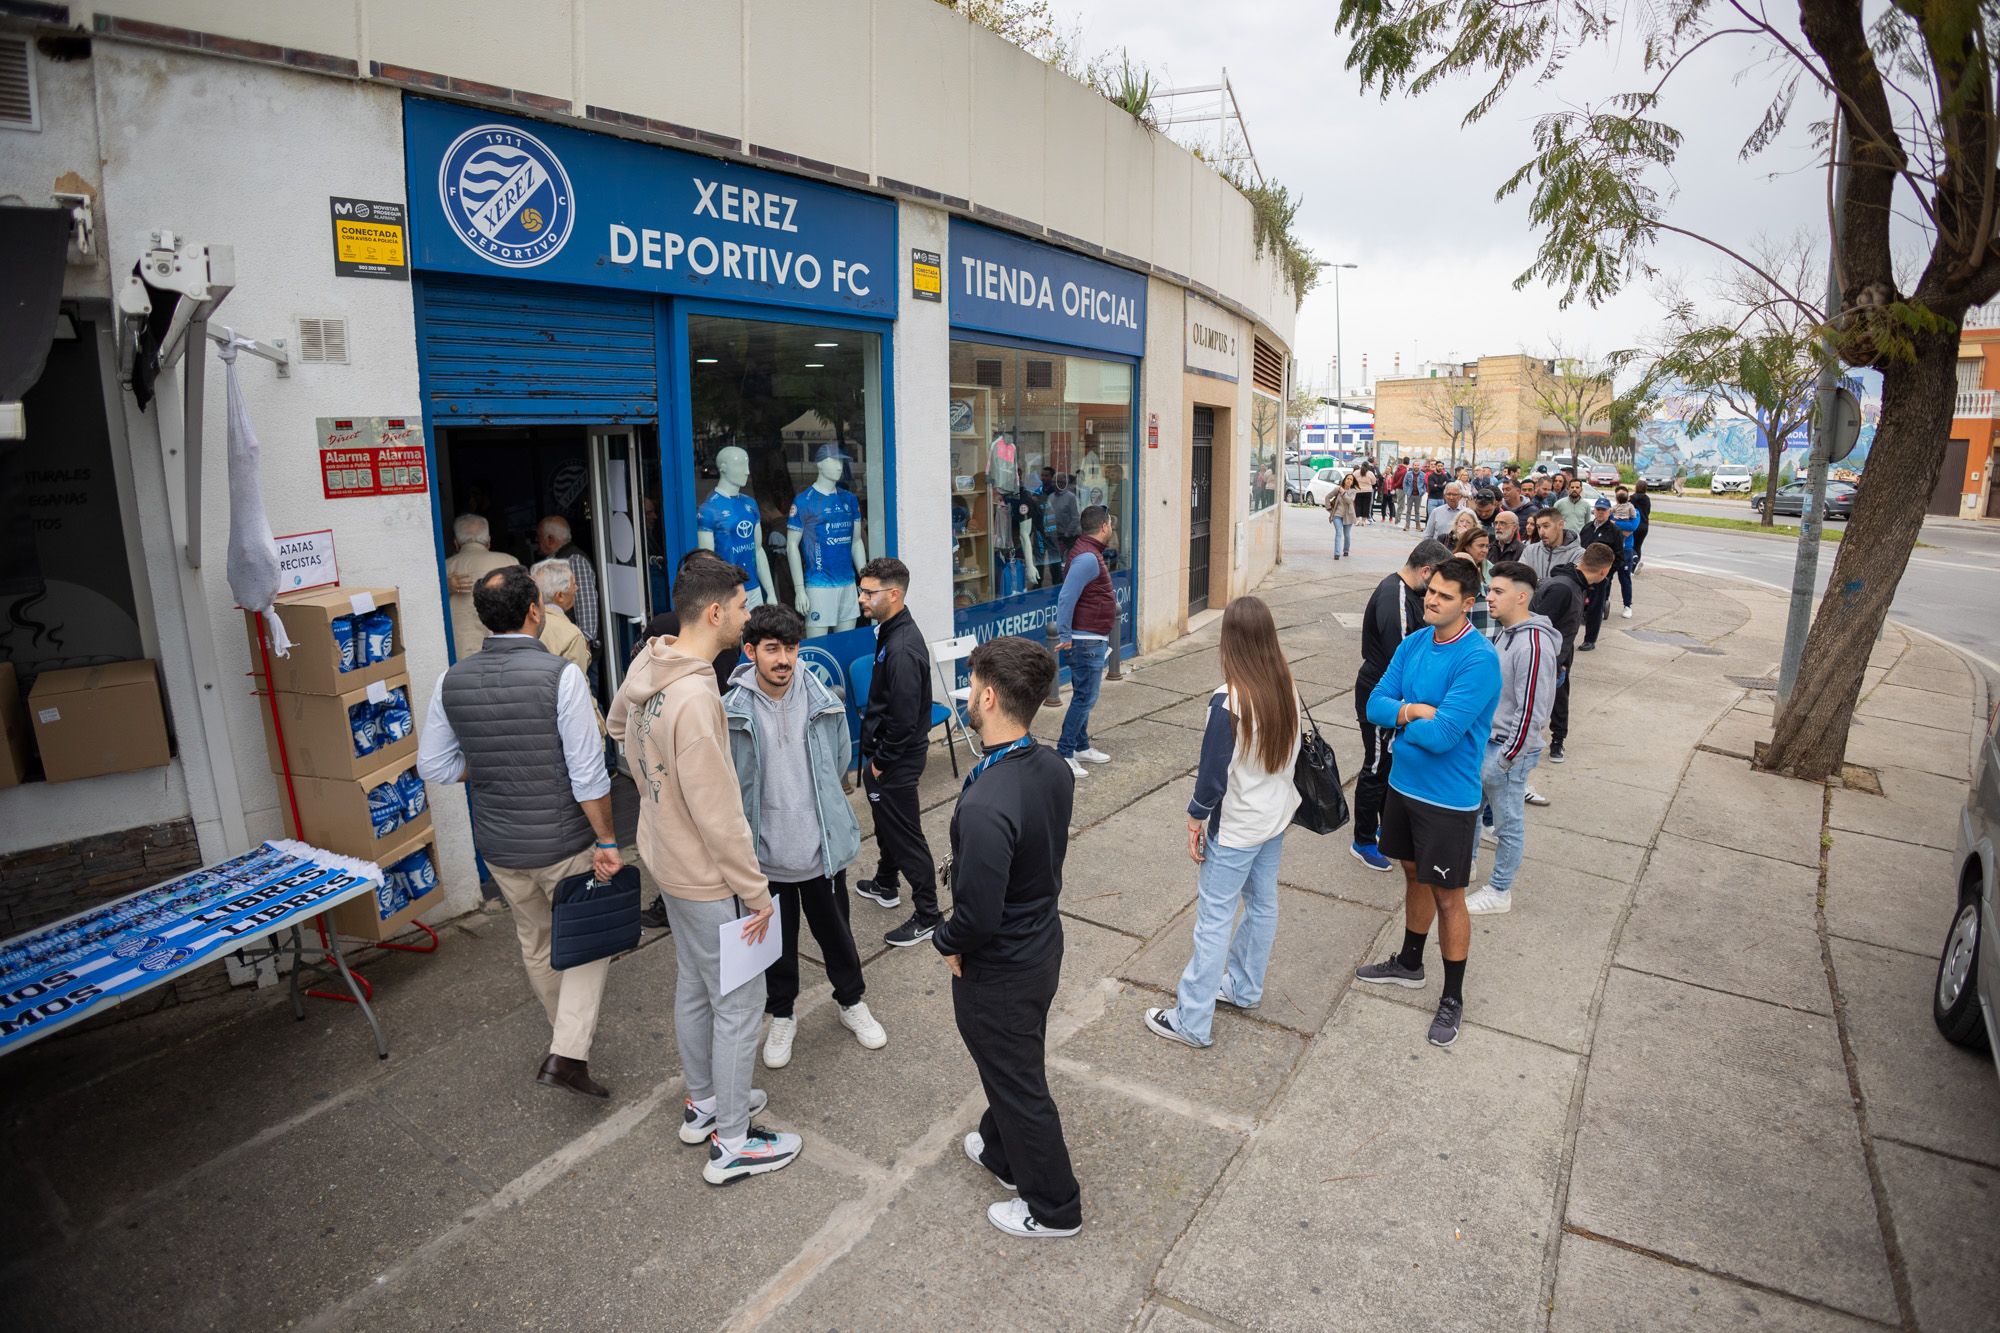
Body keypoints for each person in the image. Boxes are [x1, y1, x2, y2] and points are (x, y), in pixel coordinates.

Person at [610, 558, 802, 1186]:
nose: (749, 616)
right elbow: (721, 816)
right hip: (704, 874)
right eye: (744, 607)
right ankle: (733, 1144)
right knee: (741, 1003)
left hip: (663, 856)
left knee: (696, 985)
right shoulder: (696, 696)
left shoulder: (651, 661)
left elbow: (617, 729)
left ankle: (705, 1102)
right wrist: (757, 893)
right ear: (717, 613)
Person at [417, 565, 622, 1099]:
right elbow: (588, 772)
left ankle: (565, 1041)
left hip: (500, 845)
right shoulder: (561, 676)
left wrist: (486, 766)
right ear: (535, 611)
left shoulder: (449, 680)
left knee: (535, 940)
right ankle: (568, 1054)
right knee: (588, 943)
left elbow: (434, 767)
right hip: (561, 841)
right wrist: (606, 840)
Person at [935, 635, 1083, 1240]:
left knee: (1020, 1081)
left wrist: (945, 941)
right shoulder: (1049, 766)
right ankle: (1001, 1153)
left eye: (972, 685)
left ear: (990, 695)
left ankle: (1054, 1207)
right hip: (1041, 944)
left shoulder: (987, 804)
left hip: (1000, 968)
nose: (969, 694)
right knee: (1013, 1063)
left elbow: (976, 916)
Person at [723, 603, 887, 1069]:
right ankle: (783, 1015)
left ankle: (851, 1003)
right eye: (772, 649)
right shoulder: (729, 710)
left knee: (837, 936)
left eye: (791, 648)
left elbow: (837, 766)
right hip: (765, 858)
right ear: (750, 651)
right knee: (776, 945)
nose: (783, 659)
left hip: (820, 851)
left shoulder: (825, 701)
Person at [1355, 557, 1502, 1048]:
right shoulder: (1415, 642)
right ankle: (1410, 963)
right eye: (1429, 591)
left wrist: (1404, 726)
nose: (1431, 599)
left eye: (1443, 595)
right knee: (1412, 875)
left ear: (1468, 603)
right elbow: (1375, 703)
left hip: (1448, 800)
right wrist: (1414, 711)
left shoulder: (1478, 660)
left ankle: (1453, 997)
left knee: (1447, 895)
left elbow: (1443, 738)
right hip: (1403, 788)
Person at [1147, 596, 1303, 1049]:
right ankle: (1245, 987)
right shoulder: (1285, 685)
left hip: (1237, 827)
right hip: (1274, 817)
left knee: (1214, 918)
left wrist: (1194, 819)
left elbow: (1213, 780)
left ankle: (1193, 1020)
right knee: (1262, 903)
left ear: (1229, 641)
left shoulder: (1229, 701)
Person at [851, 558, 943, 947]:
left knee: (905, 834)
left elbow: (905, 721)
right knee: (888, 823)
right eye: (861, 590)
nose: (861, 599)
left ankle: (929, 915)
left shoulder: (902, 648)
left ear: (894, 594)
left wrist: (880, 764)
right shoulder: (889, 631)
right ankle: (886, 883)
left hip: (895, 761)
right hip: (886, 757)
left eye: (869, 592)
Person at [1352, 539, 1452, 871]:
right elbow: (1404, 655)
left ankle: (1382, 827)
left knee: (1388, 765)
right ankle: (1363, 839)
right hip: (1381, 695)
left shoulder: (1409, 593)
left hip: (1393, 697)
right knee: (1376, 766)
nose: (1436, 593)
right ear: (1426, 571)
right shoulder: (1393, 595)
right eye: (1436, 583)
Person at [1465, 563, 1560, 916]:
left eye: (1497, 591)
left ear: (1522, 597)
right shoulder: (1507, 632)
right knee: (1471, 811)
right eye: (1489, 590)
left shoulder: (1533, 644)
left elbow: (1533, 710)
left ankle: (1500, 890)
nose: (1488, 596)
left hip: (1508, 750)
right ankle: (1467, 866)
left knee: (1508, 823)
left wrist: (1506, 758)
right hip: (1489, 743)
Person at [1531, 542, 1614, 765]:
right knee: (1537, 704)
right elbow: (1539, 627)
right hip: (1543, 660)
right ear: (1604, 571)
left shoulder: (1575, 585)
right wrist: (1553, 662)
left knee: (1560, 697)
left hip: (1559, 657)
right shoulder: (1564, 588)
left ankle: (1558, 739)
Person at [1054, 504, 1118, 779]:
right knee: (1084, 698)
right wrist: (1066, 635)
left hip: (1091, 638)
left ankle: (1080, 746)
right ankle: (1065, 752)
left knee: (1084, 696)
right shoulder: (1087, 558)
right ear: (1104, 527)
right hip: (1086, 640)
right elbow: (1066, 597)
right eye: (1110, 524)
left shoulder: (1088, 553)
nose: (1111, 529)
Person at [444, 514, 520, 661]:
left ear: (456, 544)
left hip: (462, 657)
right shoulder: (510, 562)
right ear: (489, 542)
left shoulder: (444, 569)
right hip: (506, 653)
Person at [537, 516, 602, 652]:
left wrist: (584, 642)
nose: (536, 540)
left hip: (578, 648)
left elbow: (586, 604)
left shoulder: (575, 559)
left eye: (539, 536)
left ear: (550, 539)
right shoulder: (559, 558)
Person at [530, 558, 593, 678]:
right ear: (559, 596)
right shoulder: (571, 634)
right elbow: (576, 686)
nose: (577, 588)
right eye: (573, 584)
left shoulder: (521, 622)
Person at [1577, 499, 1624, 648]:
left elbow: (1619, 557)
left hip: (1600, 577)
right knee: (1577, 605)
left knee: (1595, 609)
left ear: (1609, 512)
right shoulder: (1587, 528)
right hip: (1583, 576)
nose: (1600, 512)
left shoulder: (1614, 532)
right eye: (1598, 509)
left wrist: (1607, 575)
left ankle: (1590, 640)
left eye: (1603, 510)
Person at [1521, 508, 1581, 583]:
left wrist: (1536, 582)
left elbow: (1569, 587)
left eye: (1546, 526)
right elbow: (1520, 580)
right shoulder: (1529, 550)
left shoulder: (1579, 555)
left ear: (1560, 525)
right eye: (1539, 527)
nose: (1541, 532)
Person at [1611, 492, 1640, 618]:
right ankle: (1604, 602)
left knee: (1625, 579)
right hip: (1612, 548)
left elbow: (1632, 526)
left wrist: (1615, 524)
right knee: (1606, 579)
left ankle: (1627, 605)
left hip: (1626, 550)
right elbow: (1607, 521)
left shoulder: (1634, 510)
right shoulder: (1613, 509)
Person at [1327, 473, 1357, 558]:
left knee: (1347, 535)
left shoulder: (1353, 491)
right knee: (1338, 533)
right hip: (1337, 515)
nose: (1349, 480)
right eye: (1348, 478)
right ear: (1344, 480)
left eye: (1351, 480)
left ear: (1352, 482)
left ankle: (1346, 550)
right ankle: (1337, 553)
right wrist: (1329, 509)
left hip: (1349, 516)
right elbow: (1327, 497)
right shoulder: (1338, 489)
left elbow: (1349, 501)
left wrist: (1343, 492)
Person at [1630, 478, 1653, 570]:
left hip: (1634, 524)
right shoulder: (1647, 499)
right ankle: (1636, 565)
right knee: (1638, 546)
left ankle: (1632, 564)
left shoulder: (1632, 498)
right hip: (1644, 525)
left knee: (1630, 545)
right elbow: (1648, 511)